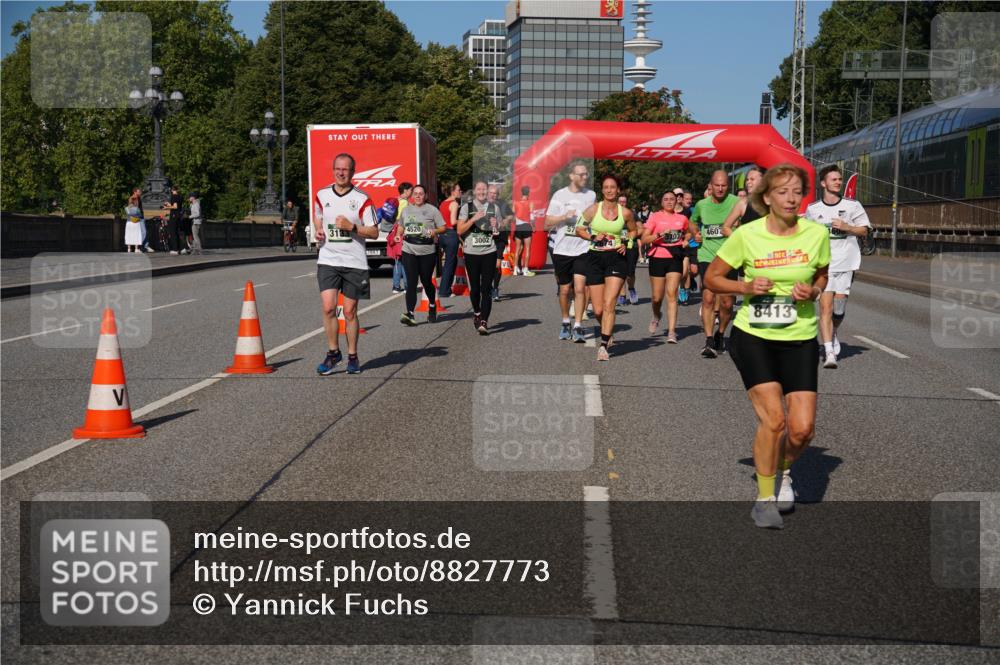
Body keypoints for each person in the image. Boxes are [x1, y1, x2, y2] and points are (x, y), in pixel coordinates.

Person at [704, 163, 829, 529]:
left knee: (803, 429)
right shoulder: (748, 235)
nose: (790, 198)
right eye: (782, 192)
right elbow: (713, 277)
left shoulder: (815, 234)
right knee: (774, 421)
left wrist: (815, 290)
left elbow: (821, 273)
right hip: (754, 336)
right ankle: (764, 498)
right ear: (767, 197)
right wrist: (744, 287)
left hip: (800, 337)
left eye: (796, 192)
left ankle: (784, 470)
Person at [313, 153, 380, 375]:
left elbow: (373, 231)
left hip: (354, 262)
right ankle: (333, 353)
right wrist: (319, 228)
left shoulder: (362, 199)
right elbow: (318, 215)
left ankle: (353, 356)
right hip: (328, 259)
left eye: (346, 169)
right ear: (333, 170)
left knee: (350, 312)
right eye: (338, 169)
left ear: (353, 172)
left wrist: (352, 227)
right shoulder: (322, 194)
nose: (341, 173)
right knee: (328, 307)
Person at [806, 164, 871, 369]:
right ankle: (829, 351)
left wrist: (847, 227)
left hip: (846, 262)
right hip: (825, 265)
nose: (838, 182)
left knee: (839, 310)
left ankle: (833, 332)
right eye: (833, 179)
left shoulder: (853, 206)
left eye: (840, 179)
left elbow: (864, 231)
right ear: (823, 183)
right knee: (825, 307)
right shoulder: (813, 209)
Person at [576, 174, 638, 361]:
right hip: (595, 258)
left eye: (613, 187)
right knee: (598, 310)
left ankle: (603, 346)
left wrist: (626, 242)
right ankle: (607, 331)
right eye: (606, 187)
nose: (610, 190)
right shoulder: (593, 209)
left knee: (609, 303)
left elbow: (634, 230)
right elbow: (580, 229)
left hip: (616, 259)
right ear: (602, 190)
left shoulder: (625, 212)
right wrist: (593, 237)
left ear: (618, 190)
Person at [544, 161, 596, 343]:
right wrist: (563, 217)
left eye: (586, 174)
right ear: (571, 176)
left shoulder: (591, 195)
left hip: (582, 248)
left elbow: (595, 218)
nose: (584, 177)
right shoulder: (559, 195)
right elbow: (547, 222)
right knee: (565, 289)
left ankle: (578, 325)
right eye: (581, 174)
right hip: (562, 249)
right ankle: (566, 321)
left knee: (580, 287)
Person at [691, 170, 740, 358]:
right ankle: (709, 340)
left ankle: (721, 333)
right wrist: (695, 232)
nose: (720, 189)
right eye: (716, 185)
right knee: (708, 299)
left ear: (728, 186)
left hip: (729, 258)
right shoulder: (701, 205)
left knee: (727, 304)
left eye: (724, 185)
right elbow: (692, 222)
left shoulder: (736, 203)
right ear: (710, 186)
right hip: (707, 256)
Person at [641, 191, 692, 342]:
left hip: (675, 257)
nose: (669, 202)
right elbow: (644, 239)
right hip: (657, 257)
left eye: (672, 199)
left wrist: (686, 240)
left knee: (672, 294)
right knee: (657, 297)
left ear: (676, 201)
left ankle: (671, 332)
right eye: (666, 199)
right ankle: (657, 315)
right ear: (661, 202)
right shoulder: (655, 217)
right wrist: (659, 235)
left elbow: (688, 233)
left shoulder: (682, 218)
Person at [398, 184, 447, 326]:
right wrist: (398, 234)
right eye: (415, 193)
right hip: (409, 249)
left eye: (421, 193)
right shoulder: (406, 210)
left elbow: (443, 227)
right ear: (412, 196)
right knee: (411, 283)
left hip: (427, 250)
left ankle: (432, 305)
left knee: (426, 281)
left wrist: (435, 232)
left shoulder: (432, 210)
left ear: (425, 196)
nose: (418, 196)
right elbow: (401, 225)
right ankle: (410, 314)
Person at [457, 181, 502, 334]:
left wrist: (496, 226)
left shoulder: (494, 208)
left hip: (489, 252)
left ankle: (484, 321)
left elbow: (498, 232)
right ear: (475, 191)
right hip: (471, 253)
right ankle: (477, 312)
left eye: (484, 189)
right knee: (475, 288)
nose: (482, 192)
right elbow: (459, 229)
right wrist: (473, 219)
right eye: (479, 189)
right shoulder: (466, 208)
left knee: (486, 289)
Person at [487, 184, 513, 301]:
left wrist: (504, 221)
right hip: (486, 239)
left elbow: (512, 216)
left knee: (497, 264)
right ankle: (488, 287)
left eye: (496, 193)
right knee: (487, 265)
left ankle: (495, 288)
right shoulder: (482, 205)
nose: (494, 195)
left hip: (500, 238)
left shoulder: (503, 204)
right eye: (491, 193)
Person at [722, 166, 765, 237]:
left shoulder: (771, 202)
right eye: (747, 179)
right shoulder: (743, 203)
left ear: (762, 181)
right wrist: (740, 240)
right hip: (748, 247)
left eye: (752, 179)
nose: (748, 182)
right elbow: (725, 228)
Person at [437, 182, 462, 298]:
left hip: (442, 234)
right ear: (453, 192)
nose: (460, 192)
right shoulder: (454, 203)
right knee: (449, 263)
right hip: (450, 234)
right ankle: (444, 291)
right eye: (459, 190)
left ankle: (445, 288)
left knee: (451, 262)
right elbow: (453, 222)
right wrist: (464, 222)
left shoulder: (443, 203)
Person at [617, 194, 641, 306]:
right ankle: (622, 295)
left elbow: (641, 229)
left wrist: (631, 235)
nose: (622, 203)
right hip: (616, 245)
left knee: (630, 273)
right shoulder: (612, 214)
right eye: (620, 201)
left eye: (624, 202)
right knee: (620, 271)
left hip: (632, 246)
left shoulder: (632, 214)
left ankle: (631, 288)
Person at [378, 198, 405, 292]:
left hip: (394, 240)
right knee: (405, 264)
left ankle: (396, 286)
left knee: (397, 264)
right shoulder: (404, 205)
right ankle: (406, 286)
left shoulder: (386, 210)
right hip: (401, 239)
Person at [512, 186, 535, 276]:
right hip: (526, 226)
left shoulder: (515, 203)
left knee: (517, 249)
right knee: (527, 249)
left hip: (518, 227)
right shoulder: (530, 203)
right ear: (528, 192)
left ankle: (515, 269)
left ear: (522, 192)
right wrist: (534, 226)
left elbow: (513, 216)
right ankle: (525, 269)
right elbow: (532, 217)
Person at [162, 184, 184, 254]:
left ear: (172, 190)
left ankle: (175, 249)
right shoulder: (180, 196)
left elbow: (175, 206)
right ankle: (181, 248)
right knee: (177, 232)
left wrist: (166, 208)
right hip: (178, 216)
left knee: (173, 232)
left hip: (174, 216)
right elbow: (177, 205)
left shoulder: (174, 196)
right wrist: (169, 204)